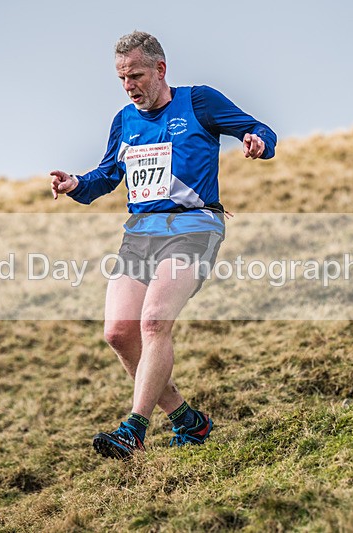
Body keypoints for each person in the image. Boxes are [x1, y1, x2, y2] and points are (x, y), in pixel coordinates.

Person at [50, 31, 276, 459]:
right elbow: (106, 176)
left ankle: (133, 428)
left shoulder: (199, 102)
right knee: (118, 333)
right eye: (121, 78)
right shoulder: (124, 120)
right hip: (140, 233)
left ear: (160, 69)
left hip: (194, 225)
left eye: (135, 75)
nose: (129, 85)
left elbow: (259, 128)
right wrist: (77, 183)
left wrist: (257, 142)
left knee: (154, 322)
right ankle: (188, 420)